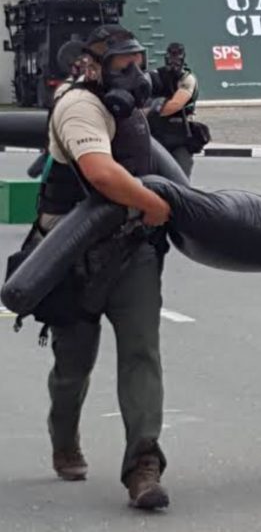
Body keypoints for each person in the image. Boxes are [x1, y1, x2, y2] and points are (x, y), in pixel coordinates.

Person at [36, 25, 171, 510]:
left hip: (131, 250)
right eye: (121, 63)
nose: (134, 72)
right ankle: (64, 439)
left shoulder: (131, 109)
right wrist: (152, 204)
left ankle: (143, 466)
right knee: (72, 366)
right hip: (72, 257)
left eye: (137, 59)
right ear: (92, 65)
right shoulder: (79, 107)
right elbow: (99, 171)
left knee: (141, 354)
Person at [147, 42, 201, 177]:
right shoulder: (156, 76)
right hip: (158, 134)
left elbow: (175, 104)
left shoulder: (187, 78)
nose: (174, 62)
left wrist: (149, 110)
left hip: (180, 135)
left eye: (178, 58)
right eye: (171, 57)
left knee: (181, 179)